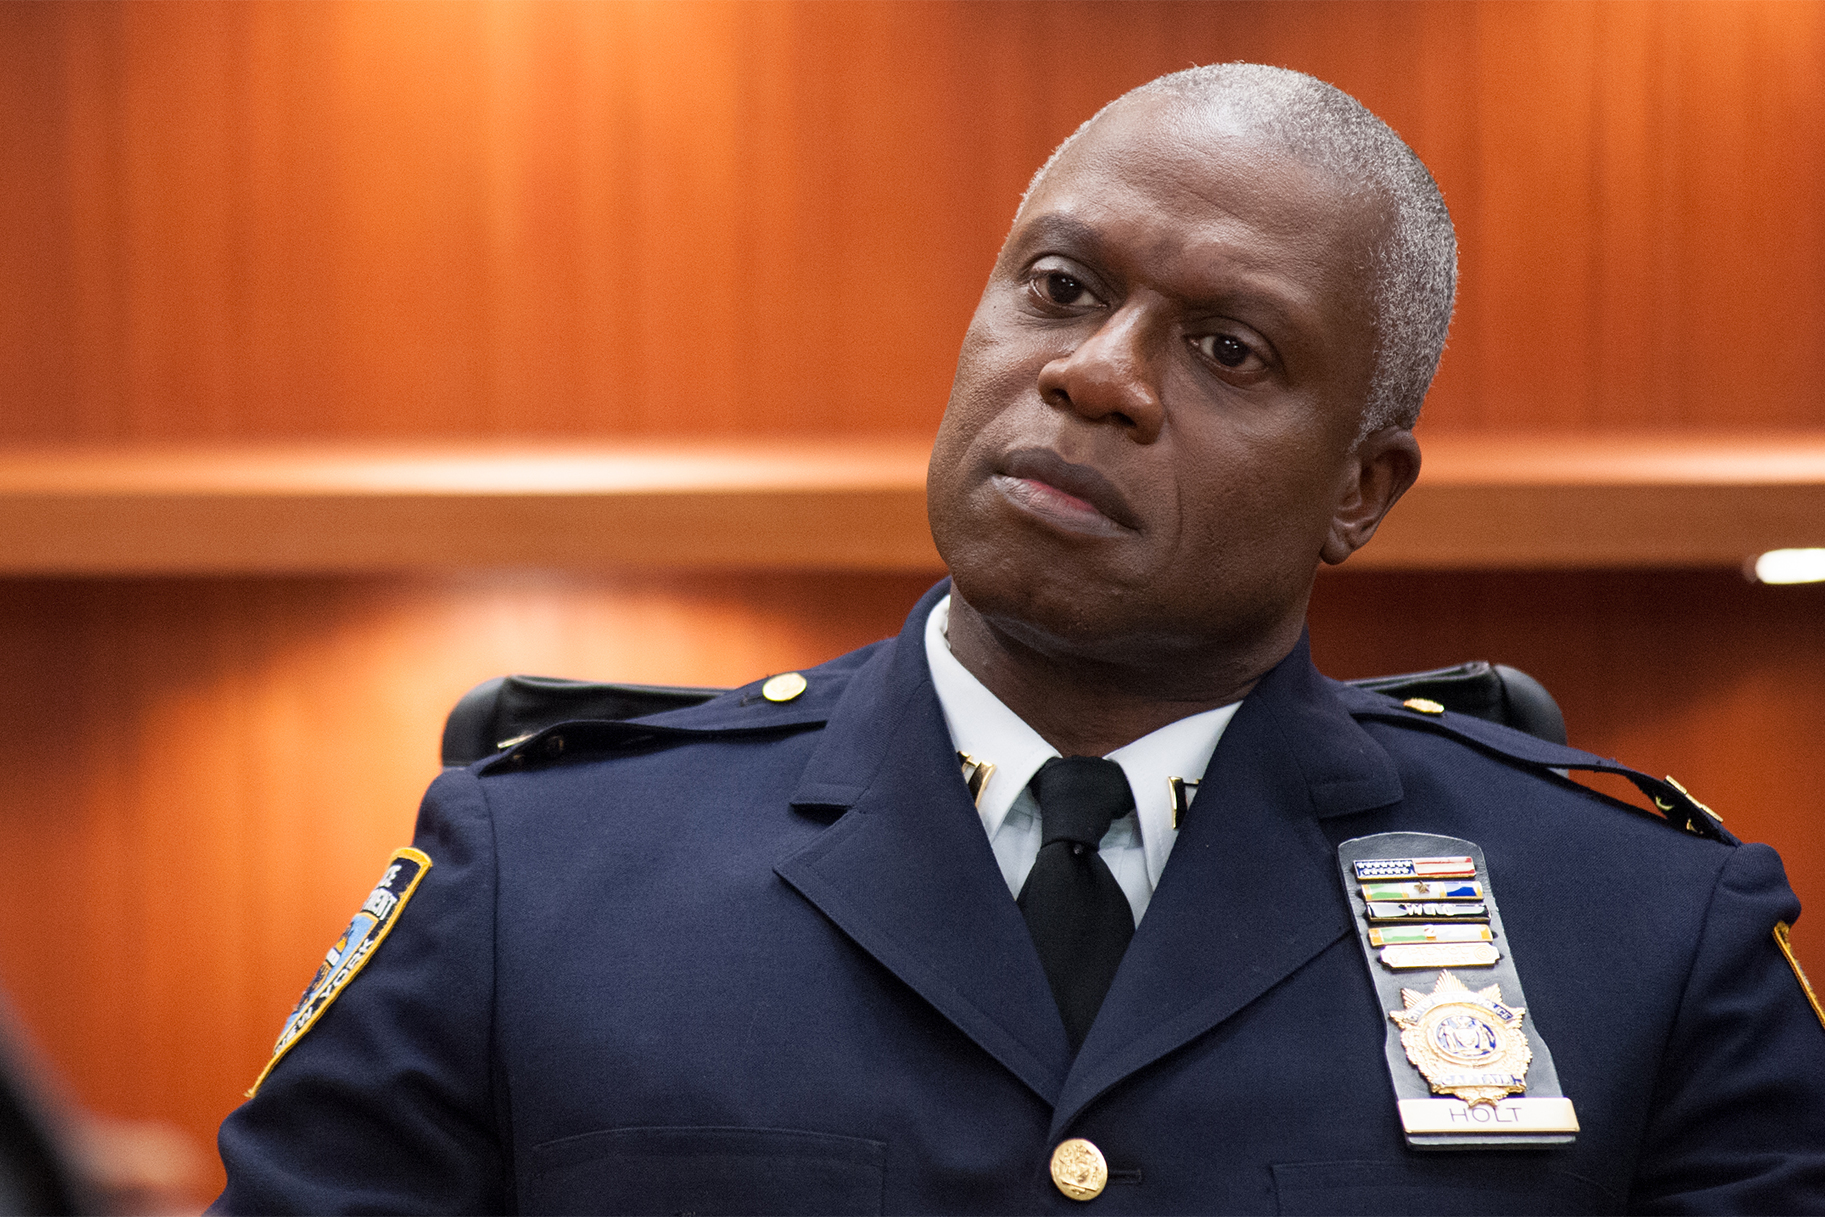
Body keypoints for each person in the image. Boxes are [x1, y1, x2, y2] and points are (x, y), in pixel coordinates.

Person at [212, 64, 1825, 1214]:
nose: (1097, 374)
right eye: (1059, 286)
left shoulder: (1644, 933)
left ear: (1358, 490)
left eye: (1227, 348)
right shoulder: (537, 878)